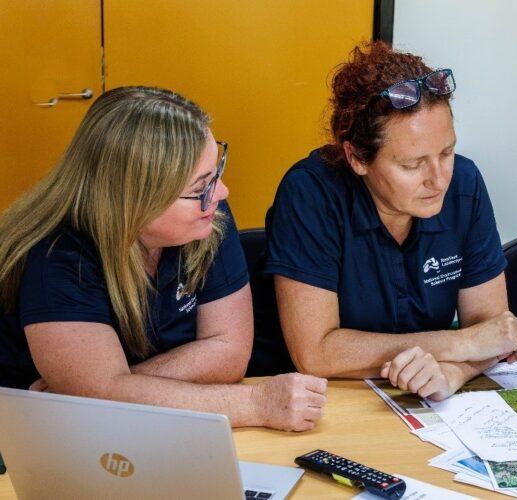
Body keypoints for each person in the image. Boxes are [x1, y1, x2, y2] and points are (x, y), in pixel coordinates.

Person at [0, 86, 326, 432]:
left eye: (215, 173)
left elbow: (229, 352)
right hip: (41, 440)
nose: (221, 193)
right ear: (136, 199)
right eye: (200, 187)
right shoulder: (57, 256)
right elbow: (98, 399)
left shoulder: (208, 217)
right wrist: (255, 404)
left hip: (130, 427)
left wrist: (113, 388)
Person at [258, 42, 517, 400]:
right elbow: (317, 353)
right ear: (357, 158)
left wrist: (452, 373)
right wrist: (459, 342)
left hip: (418, 402)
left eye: (446, 152)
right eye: (412, 164)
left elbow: (494, 335)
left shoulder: (464, 183)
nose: (438, 179)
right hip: (324, 401)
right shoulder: (310, 192)